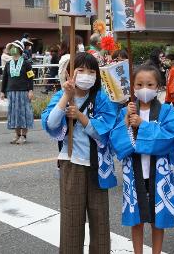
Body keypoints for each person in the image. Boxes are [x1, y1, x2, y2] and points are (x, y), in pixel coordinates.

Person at [42, 52, 117, 253]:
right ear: (69, 73)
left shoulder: (101, 98)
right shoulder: (61, 95)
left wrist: (82, 118)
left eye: (91, 71)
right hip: (71, 162)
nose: (86, 75)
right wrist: (67, 96)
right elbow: (50, 124)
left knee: (100, 218)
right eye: (80, 70)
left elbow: (106, 132)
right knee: (71, 218)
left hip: (98, 166)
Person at [110, 64, 174, 254]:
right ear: (132, 86)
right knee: (137, 220)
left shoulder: (166, 111)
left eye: (150, 84)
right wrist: (126, 121)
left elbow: (171, 137)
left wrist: (143, 125)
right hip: (135, 174)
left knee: (158, 221)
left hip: (160, 175)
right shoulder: (127, 111)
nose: (144, 89)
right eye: (139, 84)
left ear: (158, 86)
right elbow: (117, 143)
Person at [0, 41, 34, 145]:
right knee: (14, 114)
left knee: (23, 113)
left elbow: (30, 77)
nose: (12, 49)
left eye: (14, 47)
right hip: (11, 92)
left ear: (20, 49)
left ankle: (23, 136)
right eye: (11, 48)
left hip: (23, 92)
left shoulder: (26, 63)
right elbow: (5, 78)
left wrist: (31, 90)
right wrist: (2, 91)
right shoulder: (8, 63)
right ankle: (17, 135)